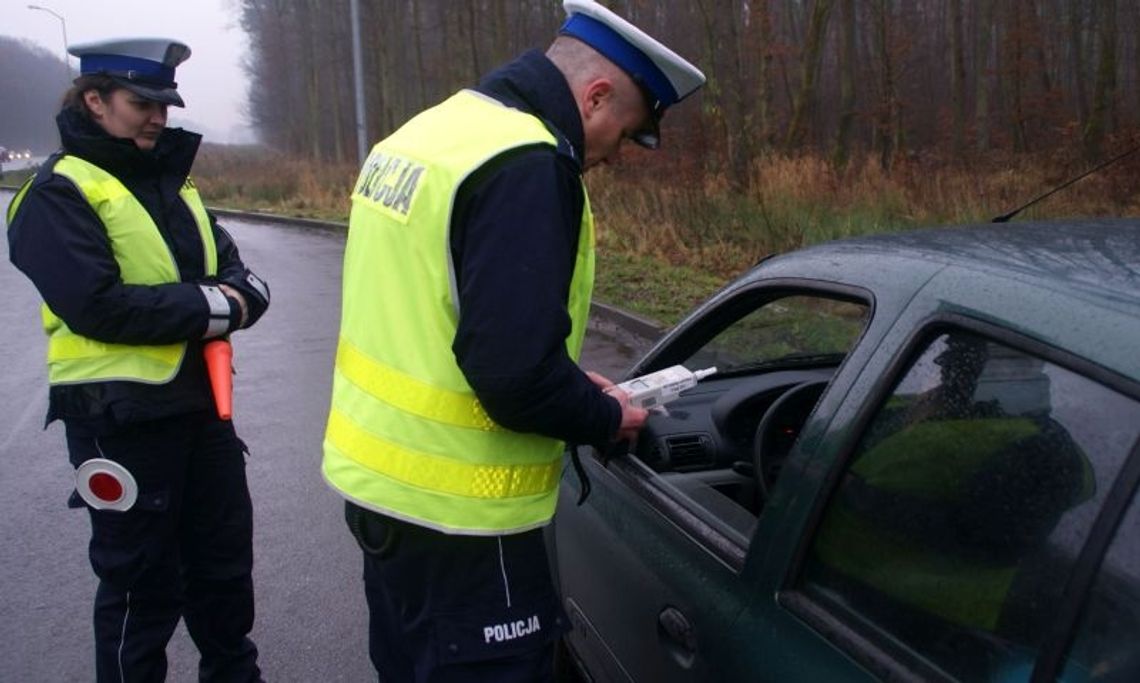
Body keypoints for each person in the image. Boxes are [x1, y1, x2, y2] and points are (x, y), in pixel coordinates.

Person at [321, 0, 705, 680]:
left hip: (385, 497)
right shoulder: (525, 163)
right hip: (468, 521)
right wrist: (603, 415)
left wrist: (561, 373)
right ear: (595, 96)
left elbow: (441, 313)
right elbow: (513, 375)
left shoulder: (430, 133)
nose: (616, 155)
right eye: (626, 131)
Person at [6, 38, 269, 682]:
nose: (159, 116)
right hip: (119, 421)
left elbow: (245, 279)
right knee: (140, 590)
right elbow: (100, 306)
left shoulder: (176, 186)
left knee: (224, 575)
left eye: (165, 104)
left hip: (203, 411)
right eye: (142, 102)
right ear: (93, 101)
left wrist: (222, 298)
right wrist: (218, 305)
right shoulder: (56, 193)